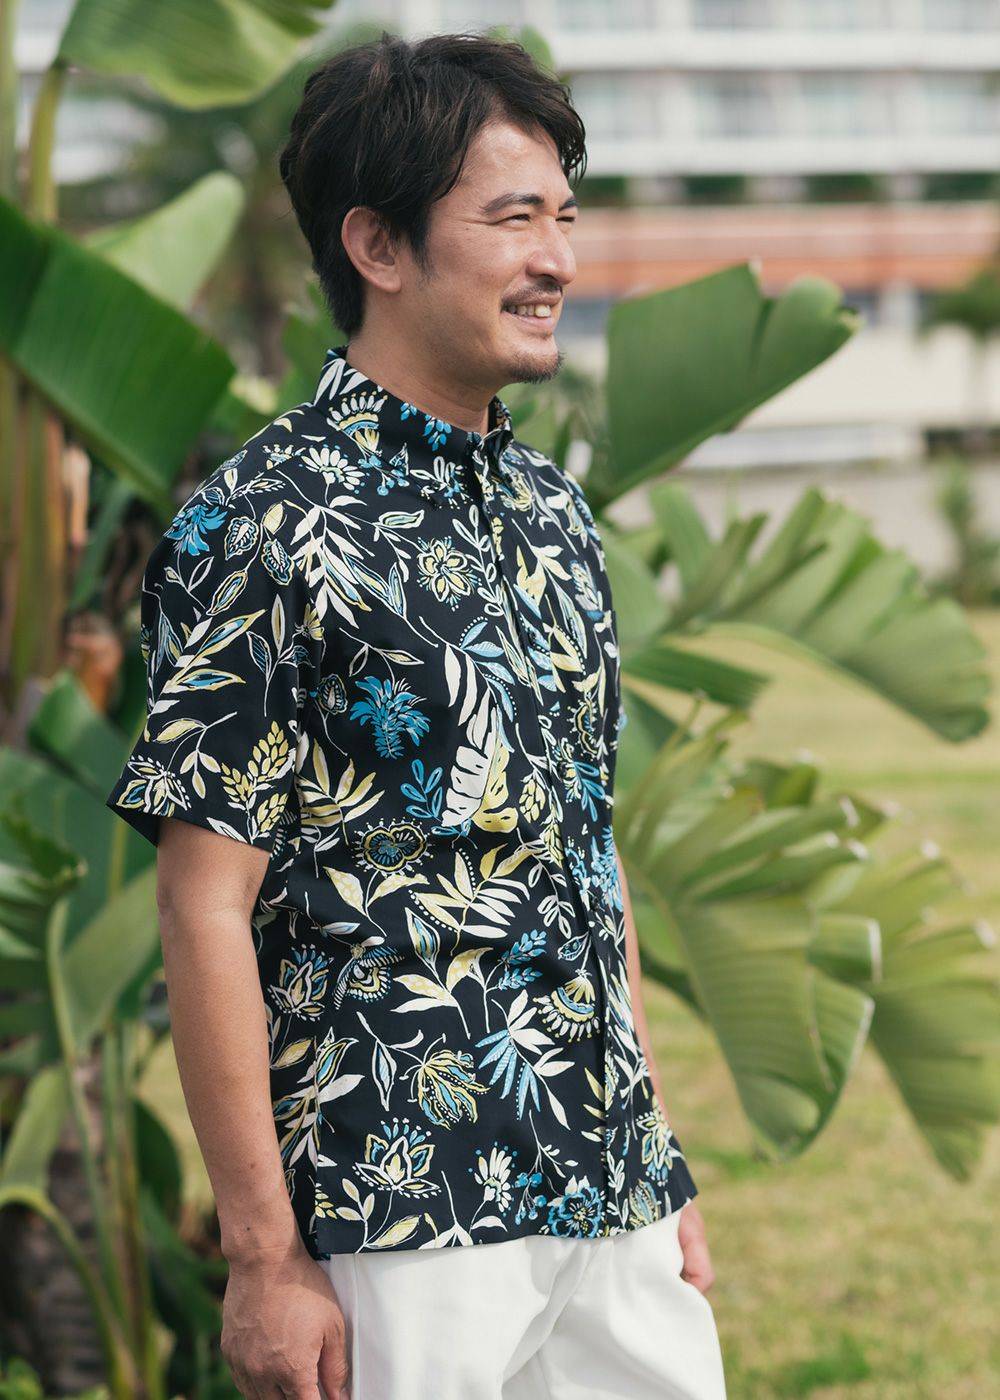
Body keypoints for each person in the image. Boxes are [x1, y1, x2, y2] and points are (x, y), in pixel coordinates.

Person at [106, 30, 728, 1400]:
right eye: (513, 220)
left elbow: (584, 850)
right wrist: (264, 1257)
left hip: (607, 1182)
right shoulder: (263, 524)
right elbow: (205, 903)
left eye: (565, 216)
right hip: (404, 1201)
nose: (557, 259)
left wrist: (656, 1148)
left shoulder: (553, 513)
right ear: (378, 246)